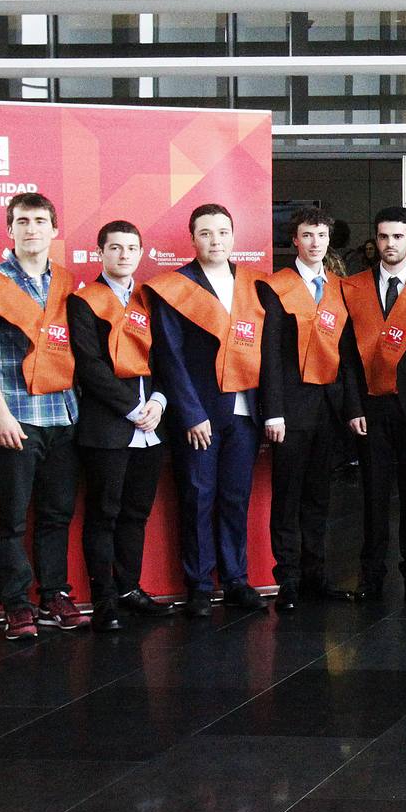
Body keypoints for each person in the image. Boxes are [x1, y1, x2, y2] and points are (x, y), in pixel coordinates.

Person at [0, 193, 88, 639]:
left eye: (40, 221)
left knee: (57, 514)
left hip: (64, 415)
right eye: (23, 221)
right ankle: (15, 604)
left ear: (54, 229)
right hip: (17, 417)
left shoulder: (68, 283)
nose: (32, 229)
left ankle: (54, 594)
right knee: (11, 518)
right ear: (9, 229)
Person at [145, 202, 282, 618]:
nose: (215, 240)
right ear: (193, 239)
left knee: (235, 498)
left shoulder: (255, 286)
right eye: (205, 233)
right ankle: (201, 586)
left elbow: (269, 353)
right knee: (197, 499)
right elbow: (170, 358)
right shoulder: (176, 287)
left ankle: (236, 579)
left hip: (245, 413)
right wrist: (190, 414)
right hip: (199, 417)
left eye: (222, 232)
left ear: (233, 236)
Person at [66, 221, 171, 630]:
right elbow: (89, 366)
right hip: (108, 425)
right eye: (115, 248)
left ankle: (129, 588)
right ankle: (104, 599)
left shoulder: (148, 300)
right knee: (104, 514)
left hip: (152, 426)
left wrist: (158, 401)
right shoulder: (84, 302)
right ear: (100, 253)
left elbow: (164, 359)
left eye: (131, 248)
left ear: (141, 253)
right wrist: (132, 408)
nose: (124, 255)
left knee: (136, 513)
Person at [339, 206, 406, 602]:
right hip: (370, 408)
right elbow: (347, 357)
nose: (389, 244)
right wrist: (353, 407)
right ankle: (371, 575)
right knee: (373, 493)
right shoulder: (354, 287)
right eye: (383, 236)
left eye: (398, 237)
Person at [260, 208, 353, 611]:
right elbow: (268, 354)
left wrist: (350, 408)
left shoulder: (339, 288)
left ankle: (316, 574)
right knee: (288, 496)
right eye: (307, 235)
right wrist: (273, 411)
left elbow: (346, 354)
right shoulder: (276, 287)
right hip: (290, 409)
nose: (315, 243)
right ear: (294, 240)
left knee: (319, 497)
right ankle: (289, 578)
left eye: (321, 235)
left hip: (327, 407)